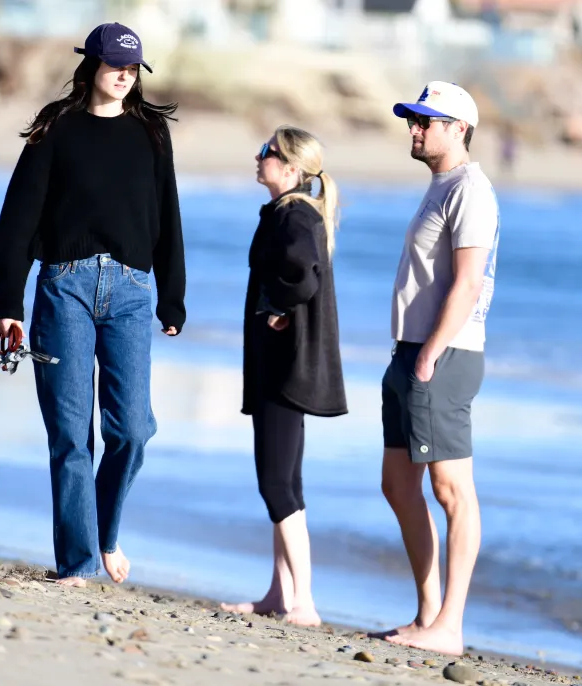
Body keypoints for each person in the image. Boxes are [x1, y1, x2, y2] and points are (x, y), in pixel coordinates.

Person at [0, 23, 185, 588]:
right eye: (115, 65)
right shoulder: (56, 129)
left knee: (133, 431)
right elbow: (18, 223)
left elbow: (167, 214)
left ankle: (105, 531)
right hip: (64, 287)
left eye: (133, 69)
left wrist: (173, 295)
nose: (125, 76)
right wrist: (10, 303)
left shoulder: (151, 133)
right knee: (72, 435)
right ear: (91, 66)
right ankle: (76, 563)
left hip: (132, 290)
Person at [377, 81, 500, 654]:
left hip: (443, 355)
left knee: (453, 490)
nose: (415, 128)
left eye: (427, 121)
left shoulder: (472, 190)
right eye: (413, 119)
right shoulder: (439, 186)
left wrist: (429, 354)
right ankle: (428, 614)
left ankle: (449, 625)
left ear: (459, 129)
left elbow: (469, 282)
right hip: (412, 351)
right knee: (398, 483)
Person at [220, 126, 347, 626]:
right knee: (283, 481)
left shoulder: (294, 214)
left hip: (286, 367)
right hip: (281, 364)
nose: (258, 157)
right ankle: (280, 592)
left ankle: (305, 602)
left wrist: (278, 305)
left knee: (278, 484)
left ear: (291, 169)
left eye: (267, 153)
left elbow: (303, 271)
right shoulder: (290, 211)